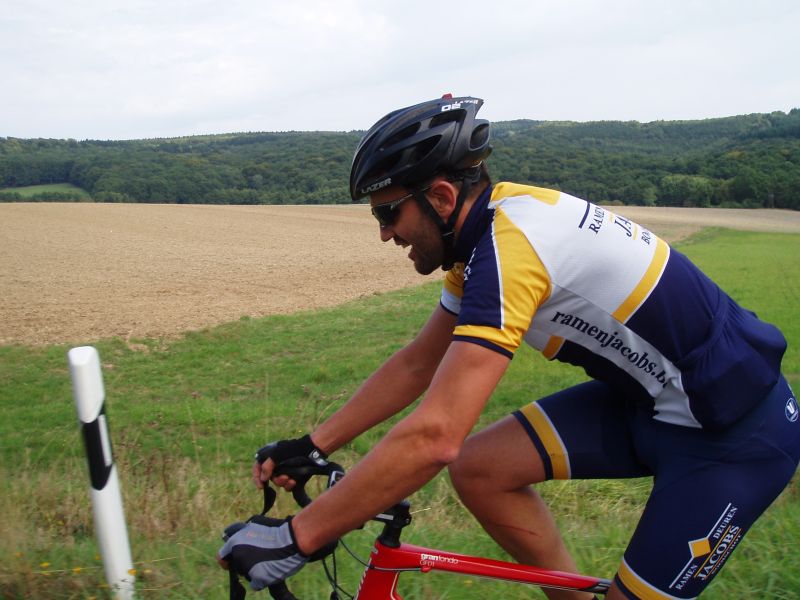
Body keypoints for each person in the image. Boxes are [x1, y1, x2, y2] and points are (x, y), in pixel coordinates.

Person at [218, 95, 799, 598]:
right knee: (481, 468)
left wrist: (300, 535)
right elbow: (420, 362)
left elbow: (435, 436)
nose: (384, 232)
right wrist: (312, 444)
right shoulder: (485, 237)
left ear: (442, 198)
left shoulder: (511, 250)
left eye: (388, 211)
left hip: (735, 438)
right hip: (653, 404)